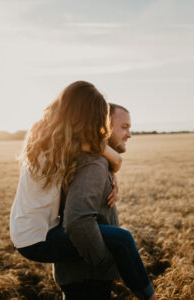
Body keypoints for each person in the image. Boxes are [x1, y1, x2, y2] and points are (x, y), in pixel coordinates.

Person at [54, 104, 158, 300]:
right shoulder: (94, 163)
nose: (129, 134)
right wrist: (104, 261)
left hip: (85, 272)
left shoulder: (101, 161)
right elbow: (77, 221)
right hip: (85, 274)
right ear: (104, 127)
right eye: (124, 127)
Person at [10, 80, 121, 261]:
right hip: (40, 238)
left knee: (113, 241)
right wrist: (111, 174)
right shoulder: (71, 142)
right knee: (118, 244)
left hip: (23, 233)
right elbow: (116, 158)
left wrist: (111, 177)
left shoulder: (44, 132)